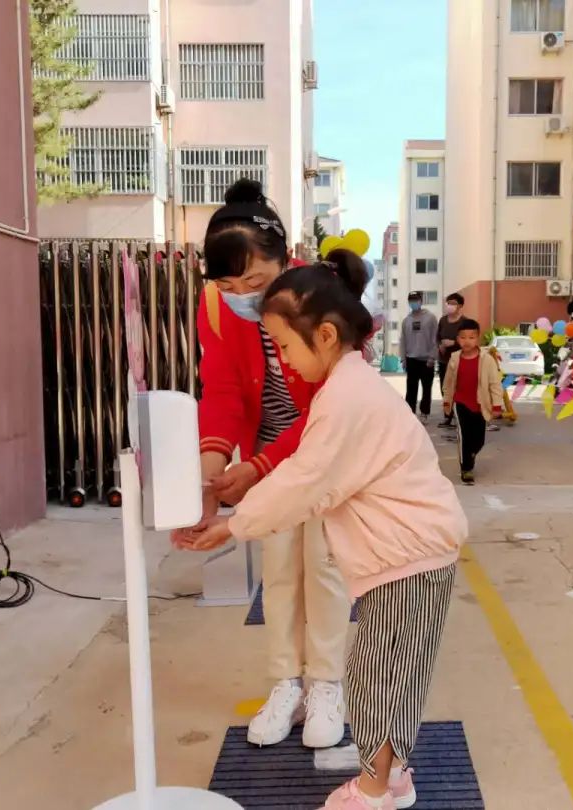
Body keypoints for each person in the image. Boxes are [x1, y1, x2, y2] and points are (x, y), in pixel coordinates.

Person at [182, 250, 467, 810]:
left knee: (379, 682)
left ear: (327, 336)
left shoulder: (346, 398)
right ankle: (392, 776)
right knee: (391, 677)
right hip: (407, 557)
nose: (285, 362)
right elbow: (304, 476)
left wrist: (235, 526)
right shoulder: (349, 387)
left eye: (286, 347)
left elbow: (306, 480)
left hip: (411, 561)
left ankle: (375, 790)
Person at [173, 178, 350, 749]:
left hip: (321, 453)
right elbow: (222, 390)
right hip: (265, 457)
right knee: (278, 572)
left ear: (286, 258)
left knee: (323, 566)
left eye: (255, 282)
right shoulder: (214, 308)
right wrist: (210, 475)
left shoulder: (321, 297)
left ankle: (327, 683)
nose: (242, 295)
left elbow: (333, 402)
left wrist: (261, 464)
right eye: (228, 284)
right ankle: (286, 683)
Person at [442, 319, 504, 485]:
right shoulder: (455, 358)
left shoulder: (487, 360)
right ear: (457, 339)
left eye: (471, 337)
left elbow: (494, 384)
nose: (467, 341)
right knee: (463, 436)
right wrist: (447, 401)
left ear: (478, 338)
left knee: (478, 440)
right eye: (463, 337)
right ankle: (466, 469)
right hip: (460, 402)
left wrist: (497, 405)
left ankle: (471, 454)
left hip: (480, 404)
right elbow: (448, 382)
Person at [400, 291, 438, 422]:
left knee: (426, 388)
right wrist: (403, 359)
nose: (413, 302)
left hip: (427, 359)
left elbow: (435, 338)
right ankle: (410, 413)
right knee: (411, 388)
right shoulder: (406, 320)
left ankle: (425, 412)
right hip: (411, 359)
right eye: (411, 300)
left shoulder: (430, 318)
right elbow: (403, 341)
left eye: (416, 300)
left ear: (421, 301)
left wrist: (432, 357)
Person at [436, 293, 469, 427]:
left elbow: (468, 341)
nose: (449, 305)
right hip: (444, 361)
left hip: (459, 361)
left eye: (453, 303)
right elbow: (437, 337)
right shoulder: (443, 321)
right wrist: (440, 345)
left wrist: (453, 343)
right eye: (448, 303)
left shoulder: (465, 322)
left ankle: (460, 416)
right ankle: (447, 416)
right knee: (445, 389)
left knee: (459, 389)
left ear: (460, 306)